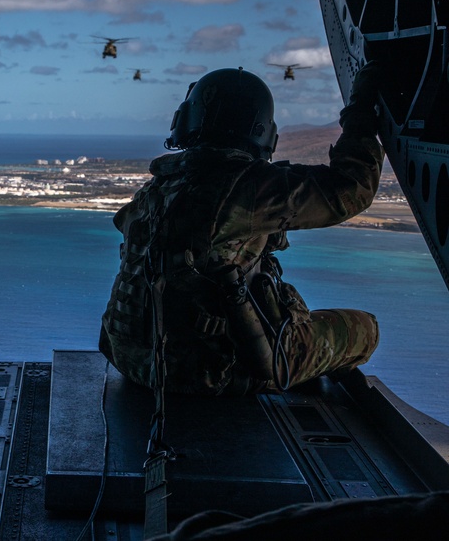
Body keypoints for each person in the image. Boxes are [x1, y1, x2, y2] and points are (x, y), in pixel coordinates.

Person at [99, 64, 384, 395]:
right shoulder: (246, 189)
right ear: (262, 130)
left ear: (187, 120)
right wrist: (361, 109)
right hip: (206, 374)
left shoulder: (158, 188)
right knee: (364, 328)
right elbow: (351, 191)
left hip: (136, 363)